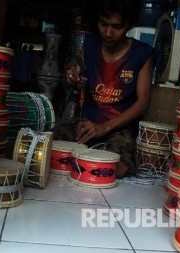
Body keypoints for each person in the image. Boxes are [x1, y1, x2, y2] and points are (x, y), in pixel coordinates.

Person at [54, 0, 153, 178]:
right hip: (87, 124)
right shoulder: (91, 44)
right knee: (47, 142)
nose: (108, 33)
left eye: (116, 27)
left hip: (118, 127)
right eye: (103, 25)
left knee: (118, 167)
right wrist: (72, 75)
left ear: (129, 25)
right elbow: (75, 68)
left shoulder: (141, 53)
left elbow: (143, 102)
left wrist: (105, 127)